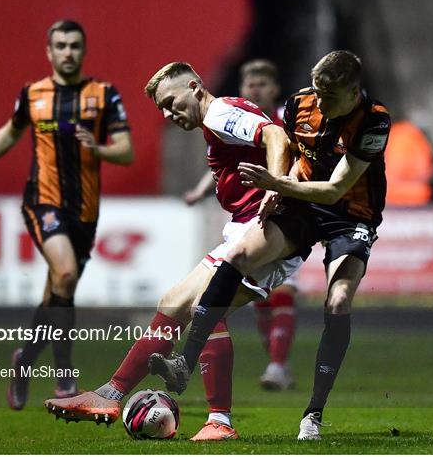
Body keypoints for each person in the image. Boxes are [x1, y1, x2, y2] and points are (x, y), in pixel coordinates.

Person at [44, 61, 303, 440]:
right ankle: (113, 395)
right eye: (161, 108)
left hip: (266, 226)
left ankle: (218, 421)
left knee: (203, 306)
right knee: (177, 302)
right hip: (251, 226)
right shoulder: (217, 118)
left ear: (196, 87)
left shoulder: (219, 113)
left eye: (171, 101)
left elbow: (277, 137)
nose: (168, 113)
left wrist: (275, 188)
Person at [148, 50, 391, 441]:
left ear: (353, 93)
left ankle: (313, 411)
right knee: (239, 254)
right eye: (318, 94)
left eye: (331, 99)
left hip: (349, 215)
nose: (322, 105)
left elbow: (334, 191)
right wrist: (278, 184)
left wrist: (275, 185)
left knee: (338, 301)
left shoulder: (375, 120)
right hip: (302, 206)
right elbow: (291, 150)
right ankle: (186, 365)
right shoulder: (300, 103)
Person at [0, 20, 134, 410]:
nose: (67, 52)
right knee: (65, 274)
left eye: (74, 45)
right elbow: (10, 132)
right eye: (60, 45)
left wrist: (99, 149)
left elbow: (126, 150)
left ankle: (23, 361)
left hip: (84, 211)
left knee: (57, 292)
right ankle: (64, 374)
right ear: (49, 52)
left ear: (83, 51)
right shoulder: (33, 95)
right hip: (43, 201)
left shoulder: (103, 95)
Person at [183, 59, 298, 390]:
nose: (255, 89)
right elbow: (220, 166)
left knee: (284, 291)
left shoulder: (282, 121)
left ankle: (277, 365)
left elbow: (292, 151)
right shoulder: (232, 120)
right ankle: (277, 363)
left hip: (285, 213)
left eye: (262, 84)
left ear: (274, 89)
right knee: (257, 295)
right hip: (248, 216)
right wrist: (200, 191)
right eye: (250, 84)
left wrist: (281, 185)